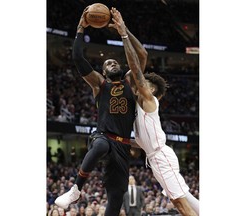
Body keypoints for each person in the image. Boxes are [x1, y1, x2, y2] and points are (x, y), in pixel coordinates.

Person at [55, 6, 148, 216]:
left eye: (115, 61)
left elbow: (142, 55)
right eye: (108, 63)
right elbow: (78, 59)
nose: (113, 63)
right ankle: (76, 189)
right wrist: (80, 28)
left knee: (116, 198)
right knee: (98, 146)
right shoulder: (99, 84)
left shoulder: (130, 82)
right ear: (103, 72)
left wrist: (124, 30)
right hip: (103, 136)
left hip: (123, 146)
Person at [118, 11, 199, 216]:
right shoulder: (138, 106)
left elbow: (138, 65)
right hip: (156, 157)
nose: (140, 83)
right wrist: (122, 140)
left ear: (152, 89)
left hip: (161, 156)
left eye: (144, 83)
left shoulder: (149, 100)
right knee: (187, 200)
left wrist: (123, 33)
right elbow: (142, 141)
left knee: (180, 204)